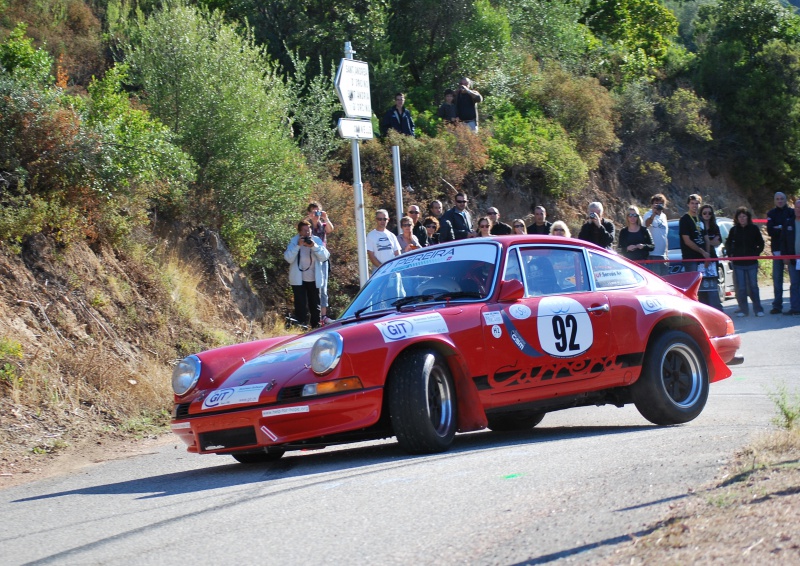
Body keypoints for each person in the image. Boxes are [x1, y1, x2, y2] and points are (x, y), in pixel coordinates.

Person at [284, 220, 330, 328]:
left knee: (315, 305)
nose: (307, 233)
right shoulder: (294, 241)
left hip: (314, 278)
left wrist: (314, 246)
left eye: (308, 230)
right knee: (300, 304)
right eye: (304, 231)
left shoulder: (316, 240)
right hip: (298, 279)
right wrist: (298, 246)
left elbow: (325, 256)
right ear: (299, 232)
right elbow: (288, 258)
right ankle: (301, 326)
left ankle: (316, 326)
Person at [726, 206, 765, 317]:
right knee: (741, 287)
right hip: (738, 264)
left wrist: (755, 254)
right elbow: (728, 243)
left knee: (753, 286)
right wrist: (731, 254)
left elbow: (761, 243)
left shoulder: (754, 229)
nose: (742, 218)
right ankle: (744, 310)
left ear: (748, 217)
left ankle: (758, 309)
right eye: (740, 217)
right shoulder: (734, 230)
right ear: (737, 218)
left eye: (744, 216)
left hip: (752, 263)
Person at [306, 202, 334, 323]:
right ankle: (313, 314)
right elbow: (299, 228)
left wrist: (325, 217)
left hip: (322, 259)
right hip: (309, 259)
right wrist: (309, 218)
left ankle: (323, 316)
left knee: (323, 288)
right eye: (314, 212)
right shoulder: (307, 227)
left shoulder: (322, 225)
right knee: (311, 287)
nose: (316, 215)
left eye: (318, 212)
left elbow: (330, 229)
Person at [767, 192, 792, 313]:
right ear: (774, 201)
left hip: (791, 250)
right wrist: (783, 228)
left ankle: (795, 305)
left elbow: (791, 231)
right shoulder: (771, 213)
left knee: (795, 279)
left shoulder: (791, 212)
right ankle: (777, 305)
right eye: (777, 199)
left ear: (786, 200)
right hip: (777, 250)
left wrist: (780, 227)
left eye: (782, 198)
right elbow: (771, 231)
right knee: (777, 279)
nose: (780, 201)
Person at [698, 204, 723, 311]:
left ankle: (717, 309)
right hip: (700, 259)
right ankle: (705, 309)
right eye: (704, 213)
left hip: (713, 258)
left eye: (709, 213)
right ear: (701, 214)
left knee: (713, 285)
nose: (707, 215)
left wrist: (707, 241)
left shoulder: (715, 227)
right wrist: (710, 241)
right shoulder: (698, 226)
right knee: (701, 287)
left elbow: (718, 241)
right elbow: (701, 242)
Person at [679, 194, 709, 273]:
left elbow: (706, 238)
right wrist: (703, 252)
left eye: (697, 203)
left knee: (704, 283)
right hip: (690, 258)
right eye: (692, 203)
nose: (694, 205)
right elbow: (687, 241)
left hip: (702, 258)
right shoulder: (684, 219)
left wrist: (707, 255)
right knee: (693, 282)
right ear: (688, 204)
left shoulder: (701, 219)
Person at [779, 197, 800, 315]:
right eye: (797, 207)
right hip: (793, 259)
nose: (798, 210)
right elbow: (783, 241)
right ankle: (795, 308)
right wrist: (784, 256)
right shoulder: (788, 222)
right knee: (794, 284)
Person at [643, 193, 669, 276]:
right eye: (656, 203)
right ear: (652, 205)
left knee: (665, 279)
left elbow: (665, 235)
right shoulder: (648, 214)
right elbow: (646, 224)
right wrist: (653, 215)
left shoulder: (664, 216)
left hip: (663, 255)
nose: (658, 206)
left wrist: (666, 253)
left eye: (660, 204)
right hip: (653, 254)